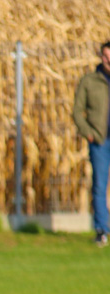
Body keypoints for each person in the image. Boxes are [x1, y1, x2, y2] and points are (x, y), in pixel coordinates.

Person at [73, 41, 110, 247]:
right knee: (99, 185)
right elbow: (77, 111)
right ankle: (102, 230)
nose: (109, 60)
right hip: (100, 141)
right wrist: (89, 133)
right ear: (101, 57)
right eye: (105, 56)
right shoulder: (90, 81)